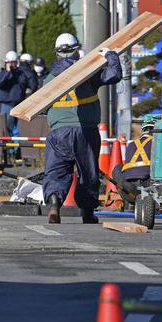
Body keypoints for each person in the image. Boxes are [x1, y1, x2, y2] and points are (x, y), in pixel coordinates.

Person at [42, 32, 122, 224]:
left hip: (59, 132)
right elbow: (114, 75)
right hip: (85, 130)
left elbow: (41, 107)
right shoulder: (87, 74)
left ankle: (54, 207)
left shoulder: (49, 79)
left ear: (57, 53)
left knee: (56, 170)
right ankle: (87, 212)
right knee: (88, 171)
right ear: (77, 51)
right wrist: (111, 56)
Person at [0, 51, 33, 159]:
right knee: (8, 129)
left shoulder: (21, 74)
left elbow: (30, 83)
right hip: (7, 105)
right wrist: (8, 72)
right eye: (10, 63)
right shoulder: (2, 74)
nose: (12, 65)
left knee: (18, 130)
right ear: (6, 63)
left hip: (19, 105)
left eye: (14, 62)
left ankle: (17, 152)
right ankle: (10, 152)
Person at [112, 118, 154, 198]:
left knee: (118, 168)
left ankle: (130, 201)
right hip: (149, 188)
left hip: (128, 189)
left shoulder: (131, 144)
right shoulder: (157, 144)